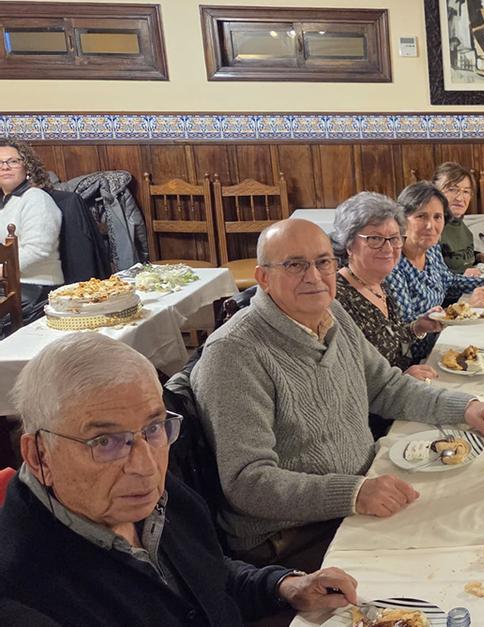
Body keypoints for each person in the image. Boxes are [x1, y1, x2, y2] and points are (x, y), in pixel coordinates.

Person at [192, 219, 484, 570]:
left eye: (324, 262)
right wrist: (353, 493)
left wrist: (467, 408)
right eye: (295, 265)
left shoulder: (331, 312)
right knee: (459, 555)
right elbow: (248, 482)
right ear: (263, 278)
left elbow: (386, 386)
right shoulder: (234, 353)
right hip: (292, 540)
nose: (314, 276)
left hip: (360, 493)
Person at [0, 332, 361, 626]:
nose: (144, 465)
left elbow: (207, 578)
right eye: (105, 442)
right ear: (39, 455)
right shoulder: (22, 597)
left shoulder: (155, 495)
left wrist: (283, 585)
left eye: (154, 427)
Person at [331, 192, 444, 438]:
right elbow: (341, 379)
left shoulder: (379, 284)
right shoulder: (337, 298)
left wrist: (417, 327)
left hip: (406, 393)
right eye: (374, 239)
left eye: (394, 238)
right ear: (349, 244)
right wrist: (397, 381)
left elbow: (386, 337)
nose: (388, 248)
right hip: (376, 422)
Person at [385, 181, 484, 362]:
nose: (430, 225)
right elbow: (408, 331)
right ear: (402, 221)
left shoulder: (431, 249)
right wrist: (464, 310)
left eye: (437, 217)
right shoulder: (393, 264)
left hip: (444, 342)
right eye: (421, 216)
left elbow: (448, 282)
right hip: (418, 361)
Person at [0, 138, 62, 318]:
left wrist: (2, 271)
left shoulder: (36, 199)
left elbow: (37, 252)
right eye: (0, 163)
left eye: (13, 161)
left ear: (27, 167)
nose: (5, 167)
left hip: (32, 286)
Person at [433, 162, 484, 275]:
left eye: (466, 192)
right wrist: (462, 275)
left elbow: (454, 257)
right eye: (452, 190)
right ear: (434, 191)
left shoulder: (459, 223)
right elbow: (430, 275)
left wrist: (478, 257)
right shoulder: (431, 228)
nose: (460, 198)